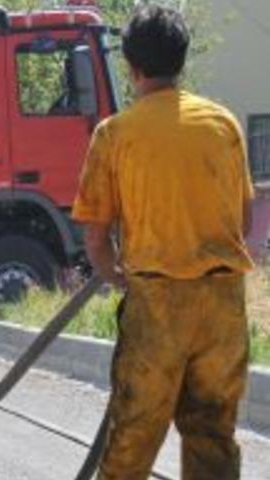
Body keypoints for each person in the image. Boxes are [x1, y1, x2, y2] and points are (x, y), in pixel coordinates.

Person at [72, 6, 254, 479]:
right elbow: (243, 219)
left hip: (156, 306)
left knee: (132, 441)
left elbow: (96, 237)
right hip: (223, 304)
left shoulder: (115, 134)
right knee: (213, 438)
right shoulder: (223, 124)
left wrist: (115, 275)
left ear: (132, 67)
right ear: (181, 60)